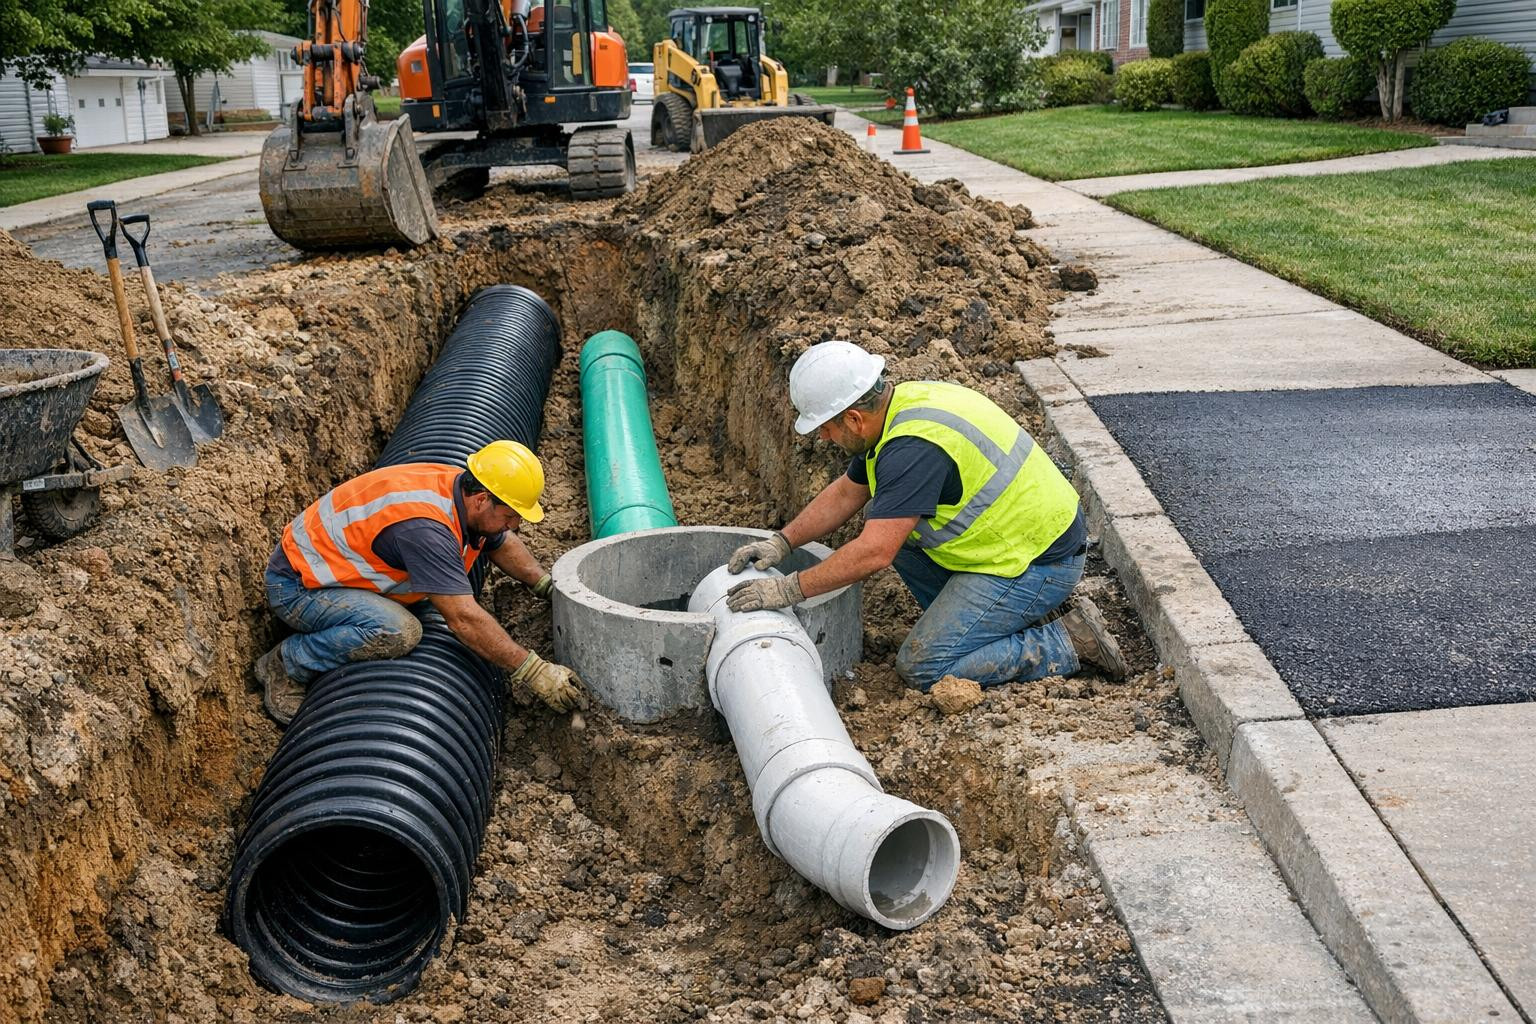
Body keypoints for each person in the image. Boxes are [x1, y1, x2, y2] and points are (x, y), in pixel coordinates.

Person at [725, 341, 1126, 691]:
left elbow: (873, 554)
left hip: (1037, 561)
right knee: (903, 535)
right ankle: (995, 624)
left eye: (825, 428)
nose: (824, 439)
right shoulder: (899, 409)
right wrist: (782, 542)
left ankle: (1068, 641)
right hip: (1019, 538)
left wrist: (789, 590)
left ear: (853, 418)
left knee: (923, 666)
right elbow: (848, 492)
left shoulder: (911, 450)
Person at [254, 440, 587, 725]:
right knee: (398, 630)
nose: (514, 524)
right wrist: (533, 672)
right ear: (482, 499)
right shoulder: (426, 529)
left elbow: (499, 541)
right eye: (510, 514)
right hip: (301, 586)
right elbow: (464, 619)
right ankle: (288, 662)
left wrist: (543, 585)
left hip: (336, 570)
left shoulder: (463, 493)